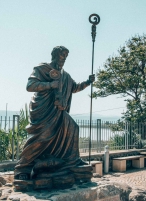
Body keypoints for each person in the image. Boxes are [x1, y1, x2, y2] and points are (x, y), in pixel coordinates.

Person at [15, 46, 95, 179]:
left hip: (59, 110)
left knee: (73, 127)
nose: (64, 59)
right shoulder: (42, 68)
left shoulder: (65, 75)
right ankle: (23, 168)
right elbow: (30, 85)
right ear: (55, 55)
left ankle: (72, 161)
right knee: (41, 137)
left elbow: (74, 87)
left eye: (65, 56)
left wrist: (87, 82)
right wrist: (50, 85)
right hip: (44, 110)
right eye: (62, 55)